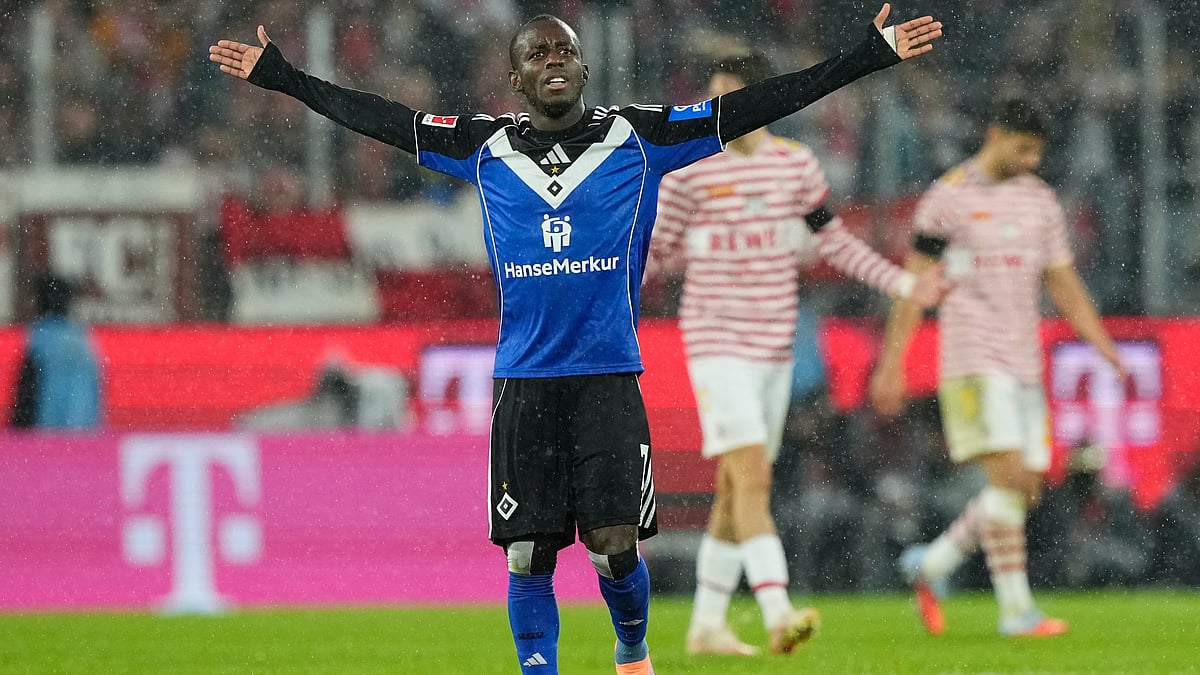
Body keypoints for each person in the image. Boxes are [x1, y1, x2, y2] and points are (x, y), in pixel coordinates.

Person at [209, 7, 943, 673]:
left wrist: (864, 58)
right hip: (524, 382)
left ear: (585, 68)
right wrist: (284, 77)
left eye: (565, 49)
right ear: (515, 76)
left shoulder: (640, 136)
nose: (554, 59)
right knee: (527, 551)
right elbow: (379, 117)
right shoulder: (482, 146)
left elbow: (752, 104)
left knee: (614, 543)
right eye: (537, 52)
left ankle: (632, 651)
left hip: (608, 377)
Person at [648, 51, 950, 657]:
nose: (721, 112)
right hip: (715, 344)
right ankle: (778, 609)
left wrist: (902, 284)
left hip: (775, 349)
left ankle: (706, 625)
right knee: (753, 475)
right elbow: (651, 252)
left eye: (732, 99)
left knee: (739, 490)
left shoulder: (795, 166)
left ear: (762, 97)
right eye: (714, 101)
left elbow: (834, 242)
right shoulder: (690, 170)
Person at [868, 97, 1127, 638]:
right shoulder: (947, 198)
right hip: (972, 357)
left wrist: (1105, 346)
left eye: (1038, 151)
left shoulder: (1041, 202)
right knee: (1008, 478)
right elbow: (913, 286)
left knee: (1024, 487)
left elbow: (1064, 282)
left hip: (1024, 362)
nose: (1032, 159)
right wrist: (891, 363)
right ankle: (1017, 612)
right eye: (1024, 147)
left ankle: (930, 563)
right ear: (995, 133)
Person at [11, 274, 102, 429]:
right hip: (84, 433)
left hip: (46, 432)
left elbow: (27, 393)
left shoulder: (39, 338)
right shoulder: (83, 338)